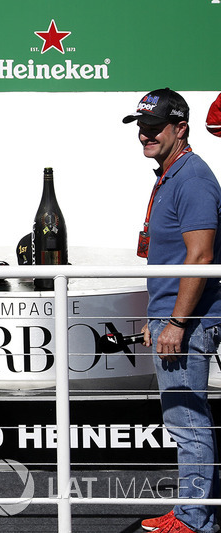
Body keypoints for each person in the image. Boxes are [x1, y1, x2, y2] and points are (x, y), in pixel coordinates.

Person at [123, 88, 220, 533]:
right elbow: (170, 259)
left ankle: (194, 517)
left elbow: (200, 258)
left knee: (187, 419)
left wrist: (177, 322)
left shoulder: (193, 178)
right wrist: (158, 315)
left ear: (180, 129)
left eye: (154, 126)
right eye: (140, 127)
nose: (145, 134)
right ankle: (192, 511)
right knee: (185, 418)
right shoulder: (172, 174)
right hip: (176, 315)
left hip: (190, 320)